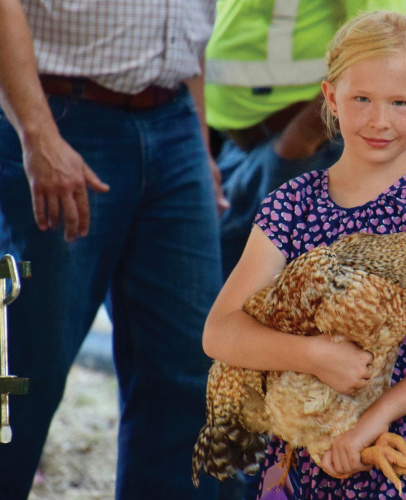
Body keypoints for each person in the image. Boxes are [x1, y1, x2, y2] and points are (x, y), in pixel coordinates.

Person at [202, 11, 406, 499]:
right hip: (307, 440)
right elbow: (219, 331)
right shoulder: (292, 204)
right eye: (361, 98)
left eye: (400, 103)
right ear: (331, 98)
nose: (379, 120)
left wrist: (377, 418)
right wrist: (314, 355)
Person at [0, 1, 223, 499]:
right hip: (55, 116)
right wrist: (37, 135)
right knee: (23, 372)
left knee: (190, 373)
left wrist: (199, 145)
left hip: (176, 120)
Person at [204, 0, 406, 277]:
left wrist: (300, 140)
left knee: (303, 308)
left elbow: (387, 50)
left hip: (313, 149)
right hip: (242, 149)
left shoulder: (299, 145)